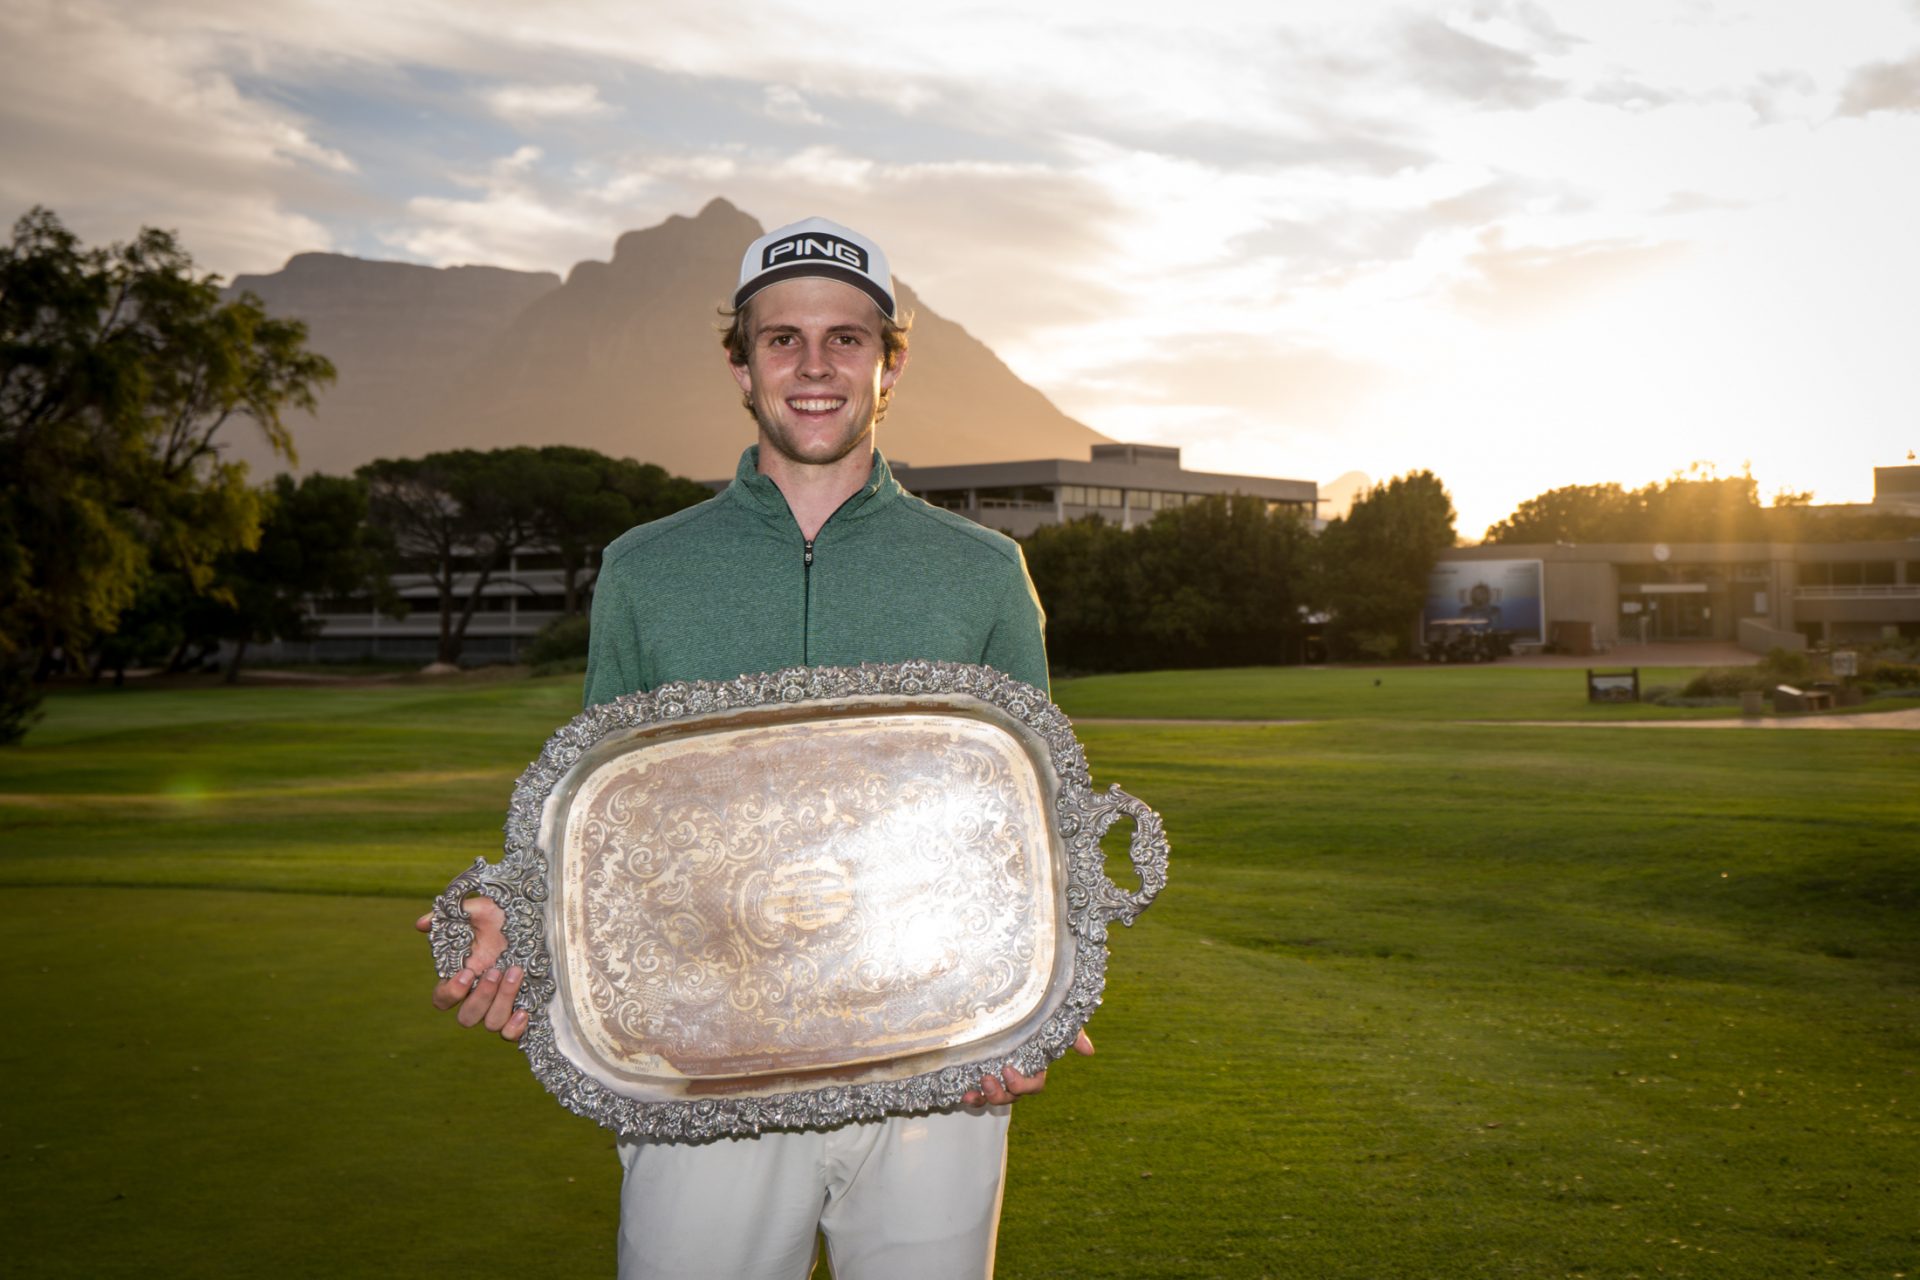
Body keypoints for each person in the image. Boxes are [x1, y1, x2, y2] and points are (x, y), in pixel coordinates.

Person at [417, 215, 1092, 1279]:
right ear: (740, 363)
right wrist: (528, 915)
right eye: (781, 338)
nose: (814, 365)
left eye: (846, 338)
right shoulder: (646, 568)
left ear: (890, 360)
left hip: (930, 1071)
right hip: (703, 1070)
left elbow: (1028, 832)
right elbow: (608, 820)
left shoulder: (984, 569)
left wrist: (1030, 1007)